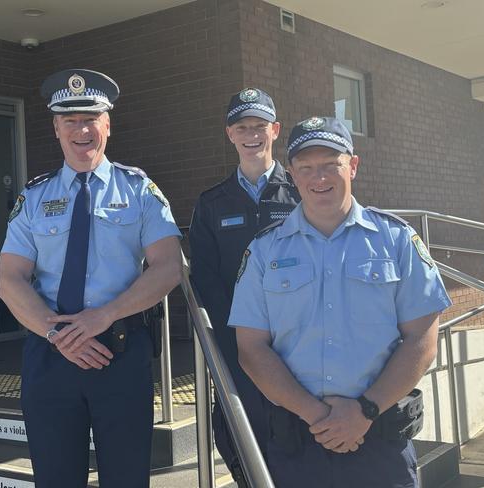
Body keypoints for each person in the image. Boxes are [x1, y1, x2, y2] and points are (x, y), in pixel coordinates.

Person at [228, 116, 452, 488]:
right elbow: (251, 349)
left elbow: (423, 339)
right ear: (293, 175)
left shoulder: (396, 240)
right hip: (300, 442)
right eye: (306, 168)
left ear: (353, 165)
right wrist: (318, 415)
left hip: (379, 438)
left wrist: (363, 411)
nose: (319, 178)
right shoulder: (264, 250)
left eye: (331, 165)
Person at [0, 69, 182, 488]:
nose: (81, 130)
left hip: (120, 352)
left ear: (108, 125)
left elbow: (170, 265)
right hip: (50, 356)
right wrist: (57, 333)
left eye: (91, 119)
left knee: (127, 477)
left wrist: (103, 317)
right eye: (70, 120)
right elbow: (9, 278)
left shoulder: (139, 190)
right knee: (56, 478)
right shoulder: (34, 196)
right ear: (56, 128)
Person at [189, 87, 300, 485]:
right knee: (241, 435)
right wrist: (235, 336)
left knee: (301, 438)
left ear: (275, 130)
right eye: (241, 126)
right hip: (240, 346)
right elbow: (204, 277)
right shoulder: (212, 203)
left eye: (259, 126)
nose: (251, 134)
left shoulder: (303, 192)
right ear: (229, 134)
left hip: (299, 344)